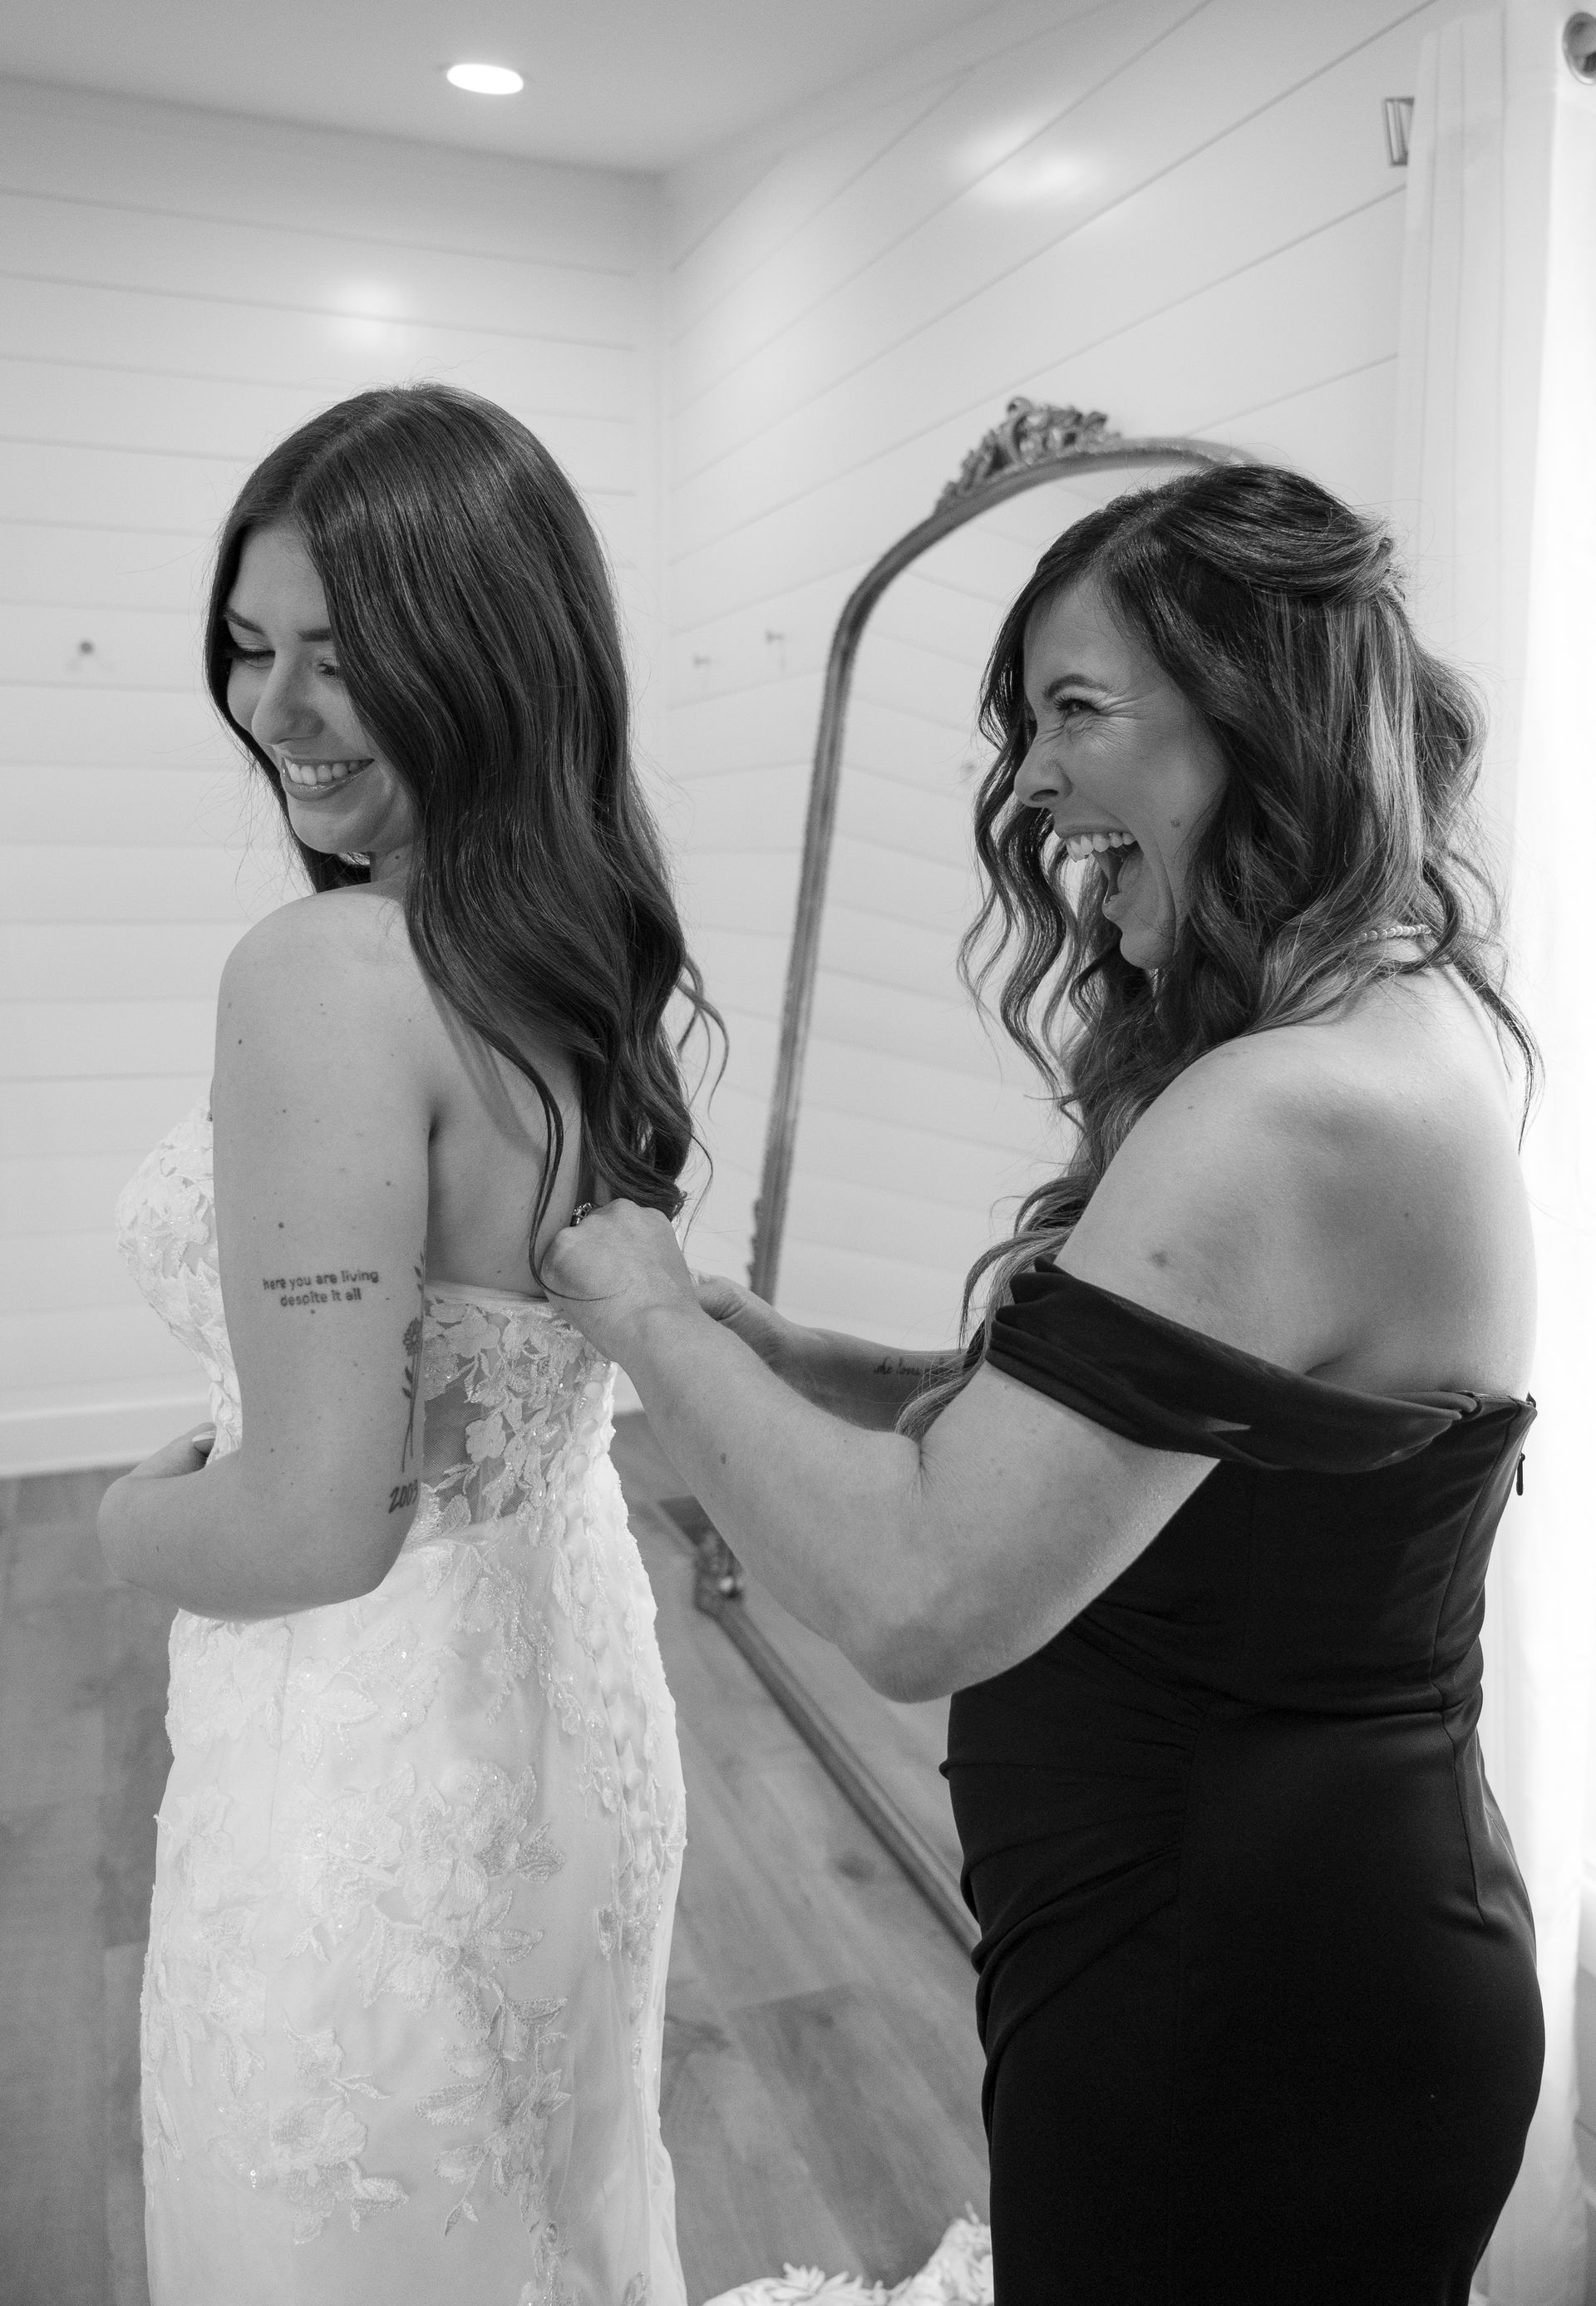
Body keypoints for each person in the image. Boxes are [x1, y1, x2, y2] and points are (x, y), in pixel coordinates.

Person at [546, 465, 1544, 2304]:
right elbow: (1176, 1460)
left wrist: (650, 1321)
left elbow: (924, 1599)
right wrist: (808, 1361)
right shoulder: (1368, 1029)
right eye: (1028, 724)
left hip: (1243, 2011)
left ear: (1269, 718)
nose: (1030, 783)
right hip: (1269, 1947)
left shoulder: (1283, 1112)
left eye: (1078, 712)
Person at [100, 384, 717, 2305]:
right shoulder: (569, 960)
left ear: (487, 656)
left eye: (344, 658)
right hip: (568, 1720)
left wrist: (120, 1522)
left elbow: (307, 1530)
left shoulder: (326, 977)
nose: (274, 714)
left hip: (365, 1787)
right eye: (251, 650)